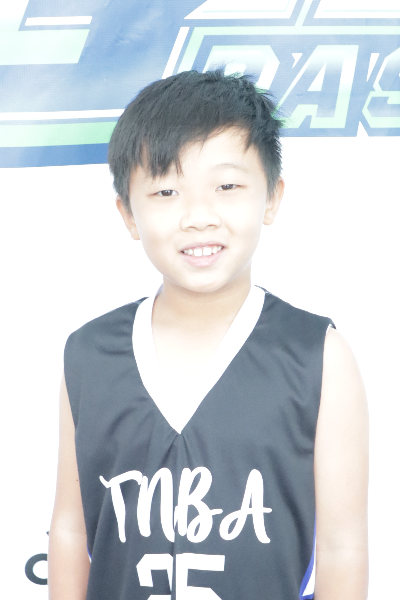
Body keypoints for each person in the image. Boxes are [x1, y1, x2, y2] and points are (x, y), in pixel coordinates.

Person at [48, 69, 368, 600]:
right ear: (128, 214)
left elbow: (341, 548)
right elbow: (71, 529)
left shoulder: (318, 356)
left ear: (272, 198)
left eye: (227, 186)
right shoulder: (88, 354)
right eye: (166, 190)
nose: (199, 217)